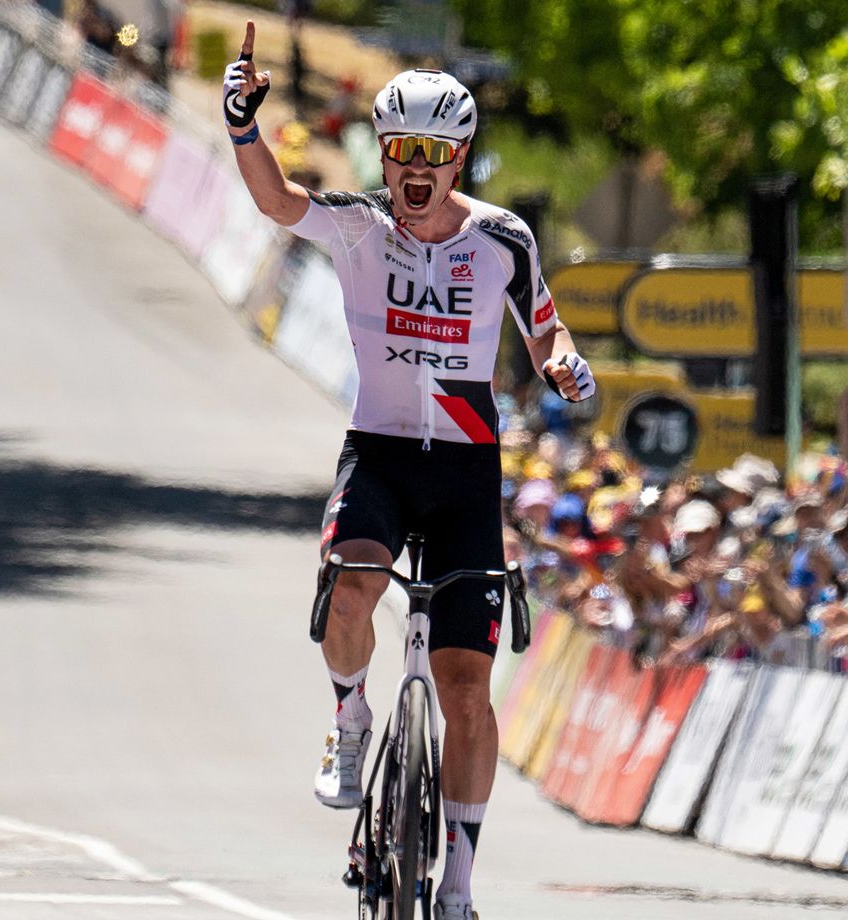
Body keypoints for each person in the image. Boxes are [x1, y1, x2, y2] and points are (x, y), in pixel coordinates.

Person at [222, 25, 595, 920]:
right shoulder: (358, 227)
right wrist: (243, 124)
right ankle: (351, 719)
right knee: (351, 587)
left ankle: (459, 882)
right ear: (385, 157)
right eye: (402, 154)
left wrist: (563, 364)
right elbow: (277, 202)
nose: (416, 170)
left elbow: (545, 325)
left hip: (466, 472)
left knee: (467, 692)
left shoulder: (502, 237)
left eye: (434, 154)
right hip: (382, 456)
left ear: (460, 157)